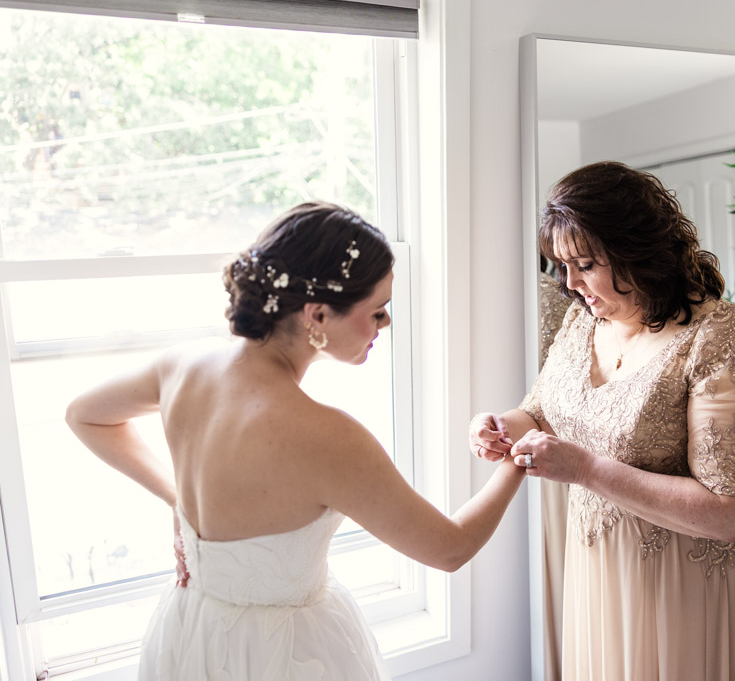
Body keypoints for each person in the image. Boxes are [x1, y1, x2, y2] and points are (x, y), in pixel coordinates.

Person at [66, 202, 525, 681]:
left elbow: (85, 415)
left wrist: (180, 502)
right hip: (287, 655)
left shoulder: (181, 366)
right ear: (318, 315)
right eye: (378, 311)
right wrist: (518, 457)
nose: (385, 325)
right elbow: (448, 549)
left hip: (191, 634)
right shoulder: (328, 437)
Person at [470, 162, 735, 681]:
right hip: (607, 563)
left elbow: (731, 511)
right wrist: (498, 425)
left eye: (584, 263)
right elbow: (543, 411)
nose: (569, 283)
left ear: (639, 252)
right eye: (561, 265)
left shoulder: (724, 337)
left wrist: (584, 470)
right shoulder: (583, 318)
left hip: (703, 575)